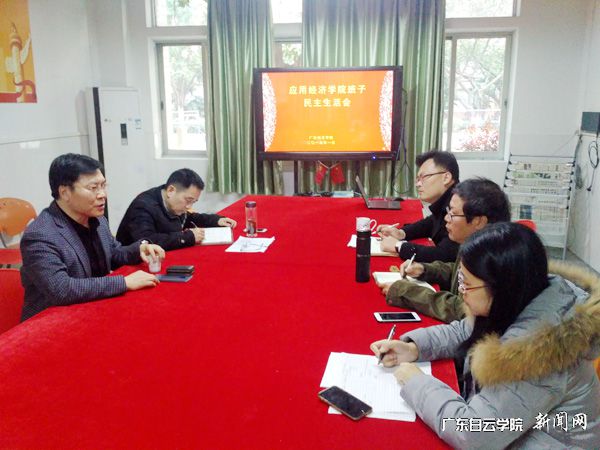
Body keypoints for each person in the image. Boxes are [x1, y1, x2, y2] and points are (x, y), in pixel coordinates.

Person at [370, 222, 600, 448]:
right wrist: (414, 348)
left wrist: (416, 382)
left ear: (502, 288)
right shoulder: (522, 298)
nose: (461, 291)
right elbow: (465, 330)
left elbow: (473, 434)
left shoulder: (538, 351)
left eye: (466, 284)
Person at [20, 154, 164, 321]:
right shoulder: (40, 235)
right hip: (52, 321)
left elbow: (113, 254)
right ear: (65, 192)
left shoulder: (97, 219)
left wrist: (139, 249)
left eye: (103, 186)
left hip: (93, 308)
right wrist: (124, 283)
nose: (102, 194)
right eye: (93, 188)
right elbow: (61, 289)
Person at [380, 178, 510, 323]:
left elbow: (463, 310)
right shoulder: (476, 245)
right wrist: (425, 270)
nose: (447, 218)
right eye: (448, 211)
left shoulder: (492, 260)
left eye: (453, 213)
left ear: (479, 221)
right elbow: (457, 272)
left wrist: (408, 292)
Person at [116, 168, 237, 251]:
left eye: (193, 202)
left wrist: (215, 220)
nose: (189, 206)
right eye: (188, 200)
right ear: (171, 191)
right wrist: (187, 237)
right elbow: (147, 241)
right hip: (132, 267)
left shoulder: (173, 202)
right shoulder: (143, 207)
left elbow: (188, 218)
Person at [378, 150, 460, 263]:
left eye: (424, 177)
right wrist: (402, 233)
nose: (418, 184)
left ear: (446, 178)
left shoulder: (460, 206)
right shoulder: (448, 200)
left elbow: (445, 255)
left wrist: (399, 246)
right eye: (418, 179)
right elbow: (431, 223)